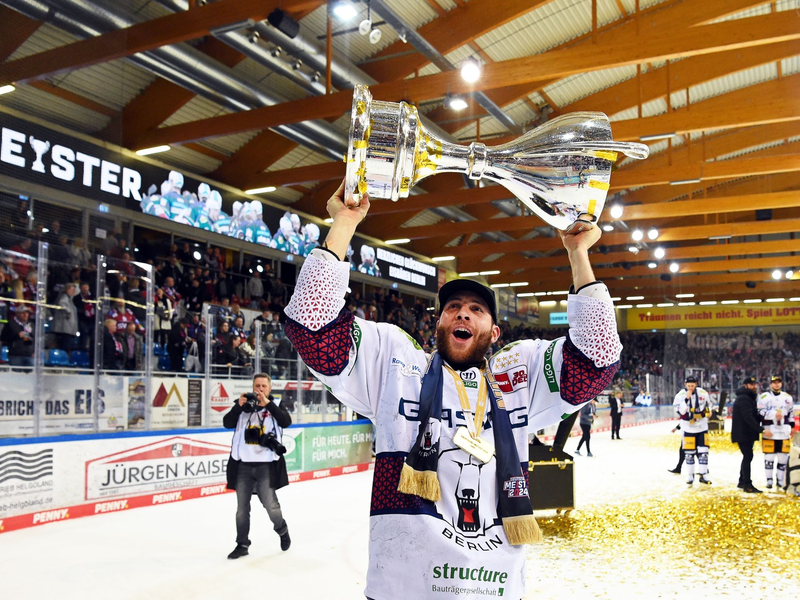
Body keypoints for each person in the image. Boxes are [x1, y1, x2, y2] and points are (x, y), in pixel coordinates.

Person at [282, 181, 621, 599]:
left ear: (493, 333)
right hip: (403, 590)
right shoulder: (395, 363)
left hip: (494, 588)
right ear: (438, 324)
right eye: (453, 308)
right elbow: (312, 328)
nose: (463, 313)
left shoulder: (518, 376)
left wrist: (578, 254)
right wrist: (344, 224)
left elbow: (597, 360)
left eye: (476, 309)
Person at [223, 373, 292, 559]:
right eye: (257, 386)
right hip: (243, 465)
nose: (260, 389)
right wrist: (238, 407)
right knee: (242, 509)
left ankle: (282, 530)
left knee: (270, 504)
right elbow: (227, 423)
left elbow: (286, 422)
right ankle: (242, 544)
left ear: (269, 388)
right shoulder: (244, 406)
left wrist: (268, 404)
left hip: (266, 466)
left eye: (263, 386)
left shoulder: (276, 405)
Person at [732, 376, 772, 493]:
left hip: (746, 433)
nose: (754, 386)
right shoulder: (744, 398)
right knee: (748, 456)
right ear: (746, 386)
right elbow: (748, 417)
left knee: (747, 456)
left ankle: (742, 481)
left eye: (755, 384)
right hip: (743, 433)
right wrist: (761, 430)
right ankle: (747, 484)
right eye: (751, 385)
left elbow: (752, 415)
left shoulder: (748, 397)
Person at [757, 375, 794, 490]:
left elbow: (791, 413)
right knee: (769, 457)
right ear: (770, 384)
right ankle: (769, 480)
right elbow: (760, 411)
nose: (777, 384)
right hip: (769, 429)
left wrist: (792, 426)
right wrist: (773, 414)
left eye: (779, 382)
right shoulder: (764, 397)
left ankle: (780, 480)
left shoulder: (787, 397)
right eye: (774, 382)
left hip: (783, 431)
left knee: (783, 457)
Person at [675, 376, 712, 486]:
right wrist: (686, 399)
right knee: (689, 453)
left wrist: (709, 411)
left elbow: (709, 405)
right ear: (685, 384)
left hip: (702, 426)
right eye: (689, 385)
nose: (691, 387)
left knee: (703, 452)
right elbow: (680, 411)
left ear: (696, 384)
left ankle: (703, 475)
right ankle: (690, 475)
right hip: (688, 427)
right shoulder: (680, 395)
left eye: (692, 385)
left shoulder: (703, 393)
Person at [51, 283, 78, 351]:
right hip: (64, 327)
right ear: (67, 290)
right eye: (72, 290)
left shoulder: (69, 299)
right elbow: (62, 303)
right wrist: (68, 312)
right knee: (65, 345)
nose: (73, 291)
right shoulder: (64, 297)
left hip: (67, 328)